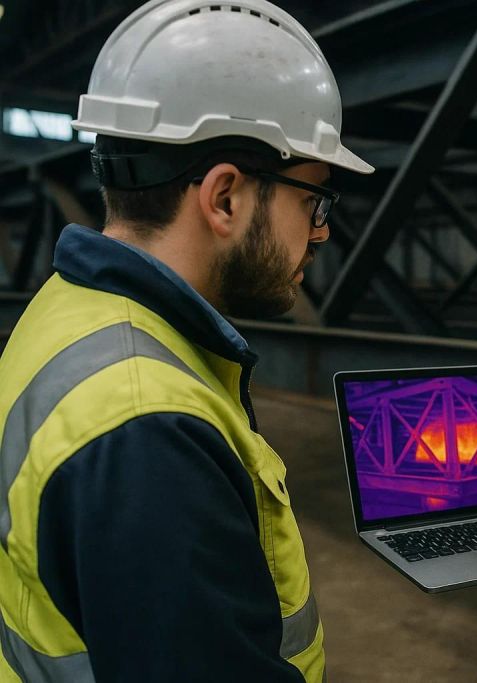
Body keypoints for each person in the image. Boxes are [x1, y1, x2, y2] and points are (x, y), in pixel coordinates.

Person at [0, 1, 372, 680]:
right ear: (224, 196)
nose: (320, 232)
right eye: (311, 201)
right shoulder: (149, 430)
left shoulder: (64, 309)